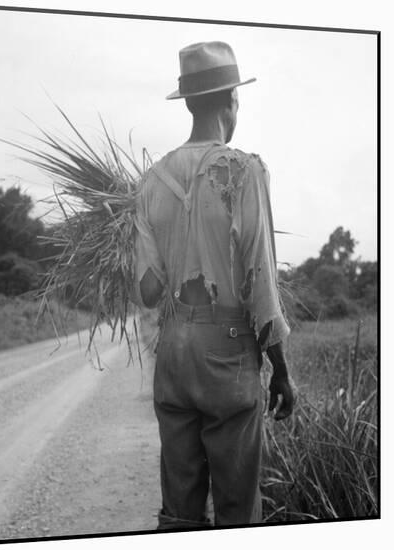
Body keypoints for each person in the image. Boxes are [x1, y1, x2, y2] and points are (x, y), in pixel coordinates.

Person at [133, 41, 295, 529]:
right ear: (232, 100)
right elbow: (261, 281)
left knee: (178, 512)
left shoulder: (149, 181)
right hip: (226, 359)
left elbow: (148, 292)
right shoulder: (245, 170)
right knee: (236, 511)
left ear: (186, 102)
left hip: (173, 355)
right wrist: (281, 370)